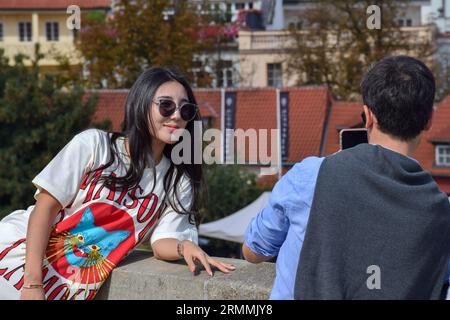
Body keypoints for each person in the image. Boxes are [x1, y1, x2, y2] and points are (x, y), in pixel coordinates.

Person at [0, 67, 235, 300]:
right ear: (141, 103)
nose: (176, 115)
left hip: (67, 288)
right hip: (15, 266)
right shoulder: (95, 145)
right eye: (166, 105)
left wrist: (184, 246)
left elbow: (161, 242)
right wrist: (32, 284)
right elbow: (45, 208)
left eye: (185, 109)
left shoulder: (177, 181)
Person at [243, 55, 450, 300]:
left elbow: (254, 250)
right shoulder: (440, 209)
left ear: (368, 116)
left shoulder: (311, 176)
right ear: (428, 121)